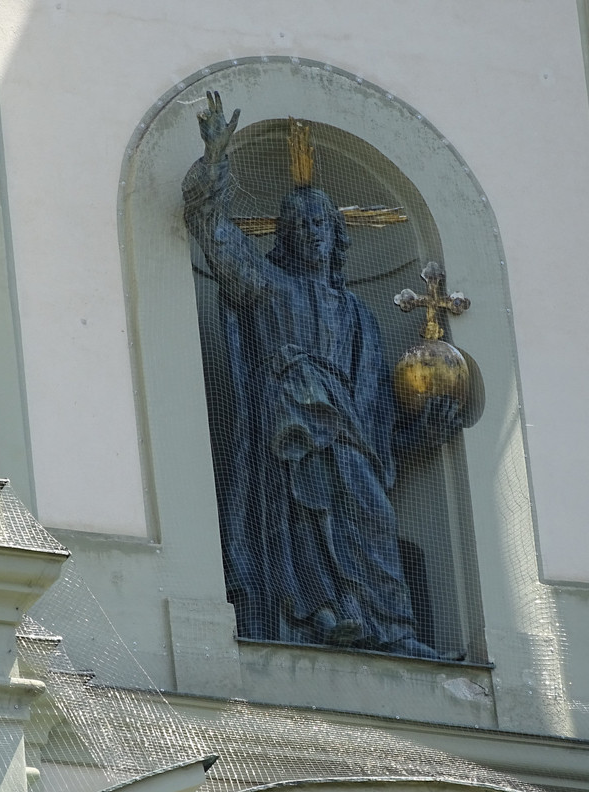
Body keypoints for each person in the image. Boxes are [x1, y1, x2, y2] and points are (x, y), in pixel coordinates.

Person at [182, 92, 459, 658]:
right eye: (298, 222)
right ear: (282, 235)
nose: (310, 232)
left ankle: (395, 632)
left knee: (373, 519)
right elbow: (213, 232)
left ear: (338, 235)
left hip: (349, 439)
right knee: (299, 518)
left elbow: (377, 409)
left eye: (321, 223)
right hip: (291, 433)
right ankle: (318, 615)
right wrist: (215, 162)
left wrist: (418, 433)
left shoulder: (360, 315)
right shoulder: (267, 287)